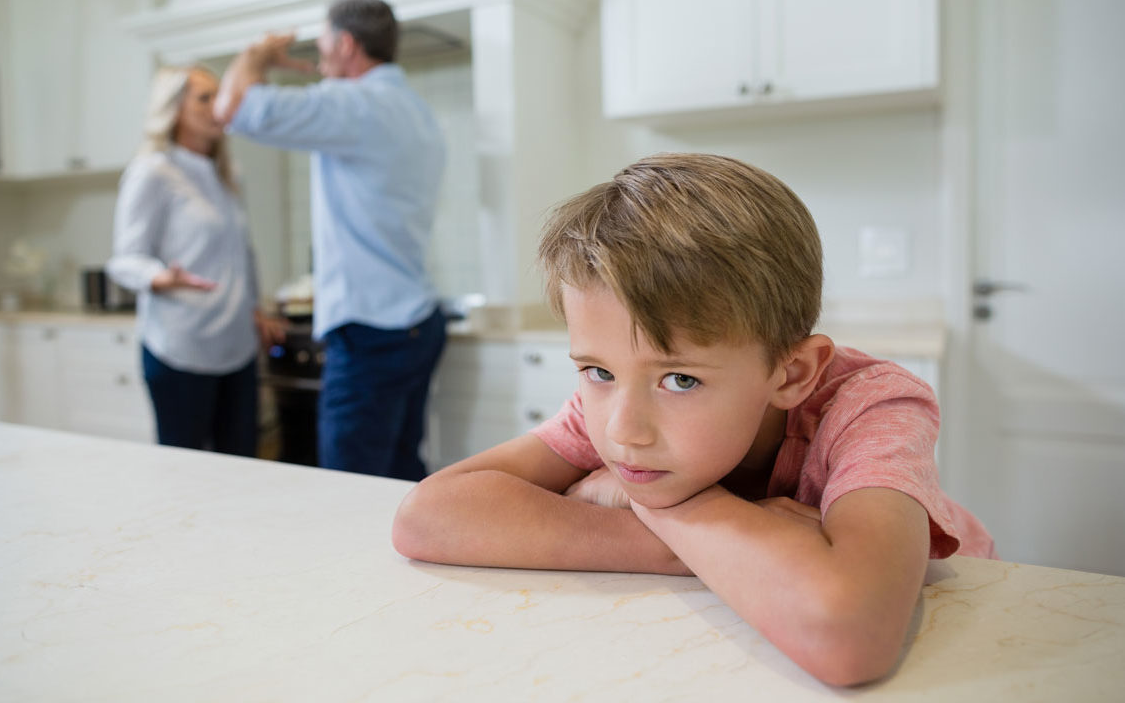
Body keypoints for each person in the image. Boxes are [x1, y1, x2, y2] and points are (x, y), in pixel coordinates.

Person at [391, 153, 997, 687]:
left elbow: (851, 635)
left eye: (681, 379)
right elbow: (428, 516)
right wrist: (710, 533)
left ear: (791, 375)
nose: (623, 431)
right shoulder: (616, 401)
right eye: (596, 371)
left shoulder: (870, 404)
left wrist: (662, 505)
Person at [213, 0, 447, 480]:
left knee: (347, 486)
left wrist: (256, 56)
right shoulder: (416, 110)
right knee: (402, 476)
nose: (318, 56)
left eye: (322, 43)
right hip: (418, 320)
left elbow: (231, 108)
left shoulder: (354, 104)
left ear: (345, 44)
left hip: (371, 329)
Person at [107, 66, 284, 456]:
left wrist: (255, 310)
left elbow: (241, 253)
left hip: (236, 347)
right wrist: (160, 277)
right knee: (185, 474)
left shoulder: (227, 174)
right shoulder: (153, 171)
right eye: (204, 97)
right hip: (180, 347)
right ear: (173, 108)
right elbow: (124, 259)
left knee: (242, 467)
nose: (217, 105)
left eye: (219, 96)